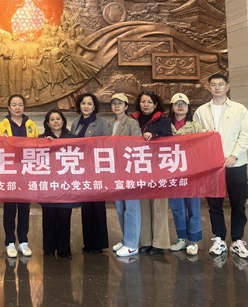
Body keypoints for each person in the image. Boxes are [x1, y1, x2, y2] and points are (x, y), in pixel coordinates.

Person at [194, 73, 248, 260]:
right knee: (214, 204)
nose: (217, 87)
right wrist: (205, 131)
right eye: (214, 84)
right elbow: (195, 133)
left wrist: (234, 155)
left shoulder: (239, 109)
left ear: (227, 87)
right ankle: (219, 238)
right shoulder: (201, 111)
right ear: (208, 88)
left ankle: (237, 241)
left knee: (238, 203)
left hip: (236, 163)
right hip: (212, 165)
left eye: (221, 84)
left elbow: (246, 135)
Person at [0, 94, 39, 258]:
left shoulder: (31, 125)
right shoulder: (1, 126)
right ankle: (10, 241)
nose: (17, 107)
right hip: (9, 173)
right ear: (9, 108)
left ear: (24, 107)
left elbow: (37, 146)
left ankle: (24, 241)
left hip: (26, 172)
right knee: (10, 209)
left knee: (25, 208)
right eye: (14, 104)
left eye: (20, 104)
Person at [131, 90, 172, 256]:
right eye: (143, 101)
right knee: (144, 207)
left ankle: (160, 243)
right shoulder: (133, 119)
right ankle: (146, 241)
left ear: (155, 105)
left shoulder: (163, 121)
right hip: (140, 167)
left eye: (149, 102)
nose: (146, 105)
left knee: (159, 206)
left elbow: (169, 141)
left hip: (158, 167)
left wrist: (154, 135)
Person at [70, 93, 110, 254]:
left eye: (89, 104)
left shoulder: (101, 123)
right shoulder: (75, 123)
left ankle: (98, 244)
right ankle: (88, 243)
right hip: (82, 172)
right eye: (83, 103)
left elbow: (107, 146)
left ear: (94, 107)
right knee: (86, 208)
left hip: (97, 171)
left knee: (98, 207)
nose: (86, 106)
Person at [167, 93, 204, 257]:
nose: (180, 106)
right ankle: (181, 237)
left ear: (188, 108)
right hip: (172, 172)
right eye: (177, 104)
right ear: (172, 107)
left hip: (191, 172)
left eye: (183, 104)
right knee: (177, 206)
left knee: (193, 206)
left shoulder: (195, 125)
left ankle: (193, 240)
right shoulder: (166, 125)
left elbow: (202, 146)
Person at [40, 109, 79, 259]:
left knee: (64, 217)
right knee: (49, 217)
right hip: (48, 185)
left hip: (65, 184)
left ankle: (64, 249)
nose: (55, 121)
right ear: (47, 123)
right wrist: (45, 144)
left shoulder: (72, 139)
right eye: (52, 119)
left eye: (58, 119)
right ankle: (49, 248)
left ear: (63, 121)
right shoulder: (41, 139)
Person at [107, 93, 143, 258]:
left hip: (129, 169)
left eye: (120, 103)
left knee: (131, 207)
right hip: (115, 170)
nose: (116, 106)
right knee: (120, 207)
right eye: (114, 103)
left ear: (126, 106)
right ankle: (125, 238)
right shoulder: (109, 124)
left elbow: (137, 145)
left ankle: (132, 244)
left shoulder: (131, 123)